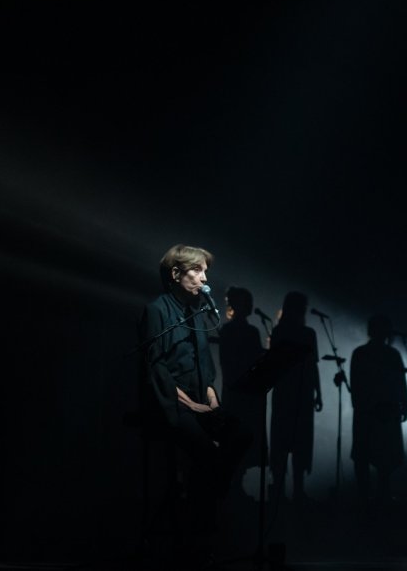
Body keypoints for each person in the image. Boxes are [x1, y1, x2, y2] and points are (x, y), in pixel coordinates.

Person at [137, 243, 253, 569]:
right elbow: (155, 368)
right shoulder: (157, 311)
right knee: (206, 453)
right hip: (171, 405)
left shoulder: (196, 312)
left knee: (242, 435)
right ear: (176, 274)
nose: (204, 278)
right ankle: (198, 527)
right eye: (198, 270)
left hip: (199, 403)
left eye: (205, 272)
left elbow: (204, 363)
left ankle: (203, 503)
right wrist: (191, 405)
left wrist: (211, 396)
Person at [268, 291, 323, 505]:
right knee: (299, 442)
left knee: (284, 442)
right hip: (300, 393)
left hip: (287, 393)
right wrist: (318, 393)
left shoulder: (280, 331)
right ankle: (296, 491)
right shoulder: (307, 333)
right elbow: (312, 366)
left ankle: (282, 491)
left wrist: (317, 392)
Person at [349, 314, 407, 508]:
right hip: (380, 410)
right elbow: (400, 382)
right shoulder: (390, 354)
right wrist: (404, 404)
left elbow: (399, 381)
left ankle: (369, 496)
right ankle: (378, 495)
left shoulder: (362, 353)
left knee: (371, 453)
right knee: (382, 453)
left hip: (372, 410)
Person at [218, 286, 267, 500]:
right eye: (247, 301)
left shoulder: (244, 331)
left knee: (242, 438)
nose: (251, 306)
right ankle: (233, 486)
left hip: (244, 393)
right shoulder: (233, 331)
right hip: (239, 393)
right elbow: (229, 363)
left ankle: (236, 486)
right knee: (237, 437)